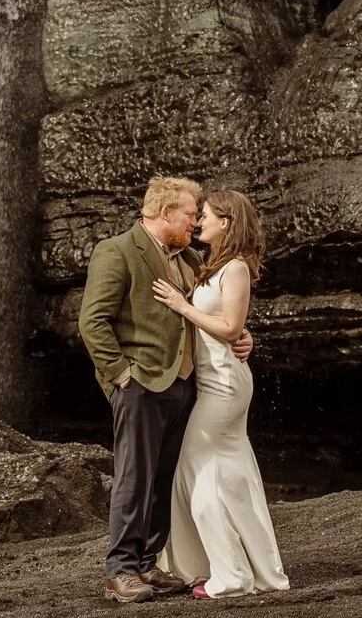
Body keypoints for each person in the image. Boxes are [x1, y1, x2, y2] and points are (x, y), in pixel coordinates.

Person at [78, 176, 254, 603]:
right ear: (164, 213)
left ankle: (146, 564)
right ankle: (120, 571)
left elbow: (209, 314)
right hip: (140, 385)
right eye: (191, 214)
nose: (196, 221)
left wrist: (244, 336)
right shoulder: (116, 250)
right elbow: (92, 322)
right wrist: (121, 376)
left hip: (186, 387)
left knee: (165, 479)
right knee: (134, 478)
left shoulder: (191, 258)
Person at [152, 189, 290, 599]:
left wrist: (182, 305)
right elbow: (230, 328)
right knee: (231, 476)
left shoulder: (237, 269)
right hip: (214, 380)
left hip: (225, 385)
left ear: (226, 222)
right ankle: (257, 571)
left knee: (197, 477)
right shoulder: (211, 265)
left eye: (206, 215)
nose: (198, 222)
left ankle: (230, 576)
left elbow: (230, 328)